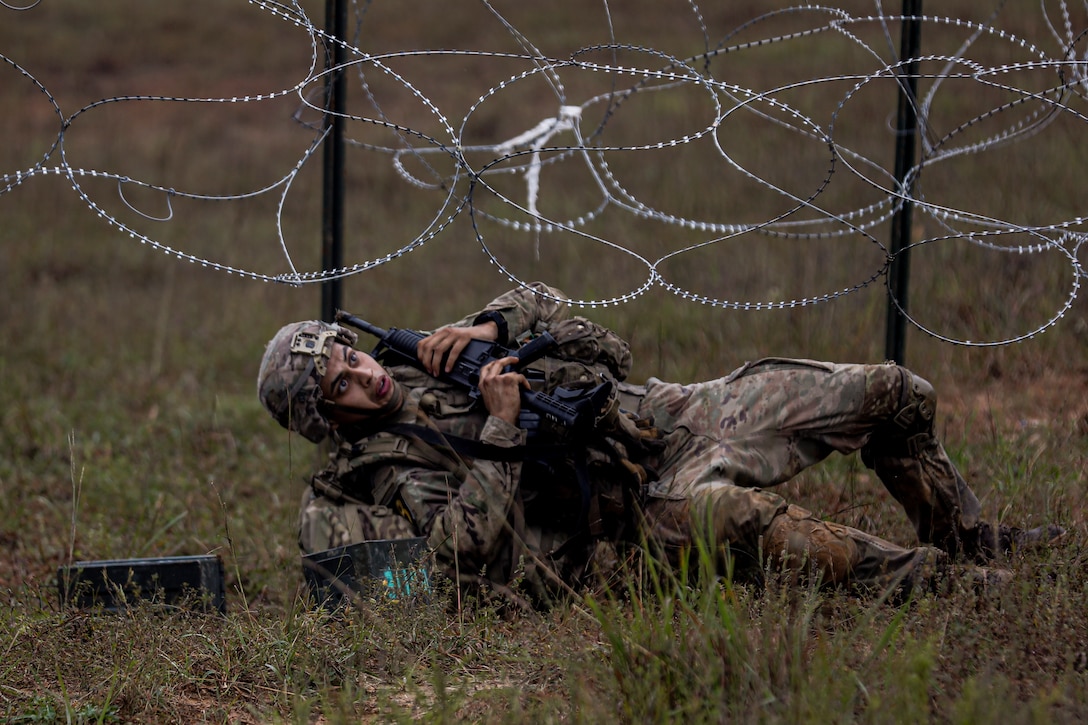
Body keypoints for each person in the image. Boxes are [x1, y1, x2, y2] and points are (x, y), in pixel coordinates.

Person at [257, 282, 1062, 607]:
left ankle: (968, 534)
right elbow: (457, 563)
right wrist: (500, 424)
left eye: (349, 356)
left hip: (667, 416)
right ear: (331, 418)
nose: (363, 376)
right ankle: (948, 585)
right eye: (340, 386)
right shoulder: (389, 465)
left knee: (891, 390)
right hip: (628, 508)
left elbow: (554, 305)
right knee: (746, 519)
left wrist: (489, 324)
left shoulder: (420, 349)